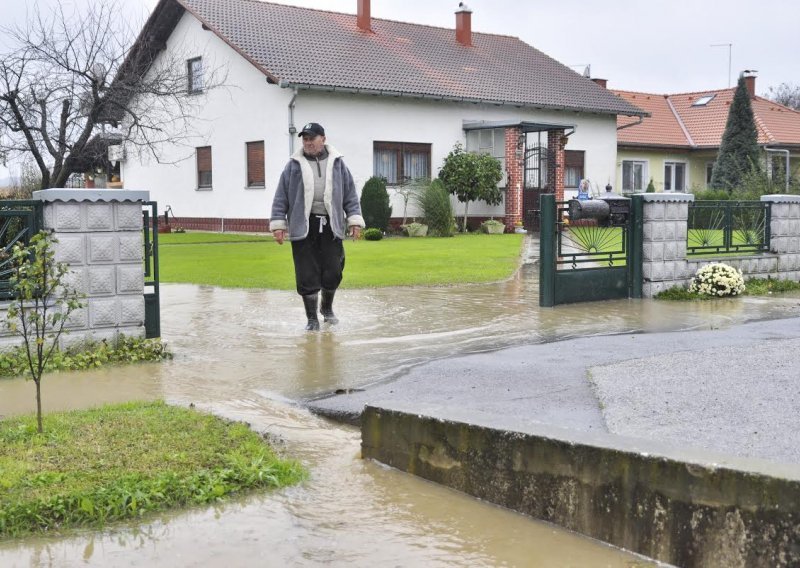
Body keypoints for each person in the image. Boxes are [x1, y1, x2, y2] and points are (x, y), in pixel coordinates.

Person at [270, 122, 364, 330]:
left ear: (323, 139)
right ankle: (312, 319)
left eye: (312, 138)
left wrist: (354, 220)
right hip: (304, 225)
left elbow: (350, 194)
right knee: (306, 272)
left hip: (331, 225)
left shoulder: (338, 164)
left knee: (334, 270)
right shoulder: (293, 165)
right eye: (305, 139)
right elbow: (281, 196)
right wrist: (278, 225)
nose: (308, 142)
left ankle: (327, 308)